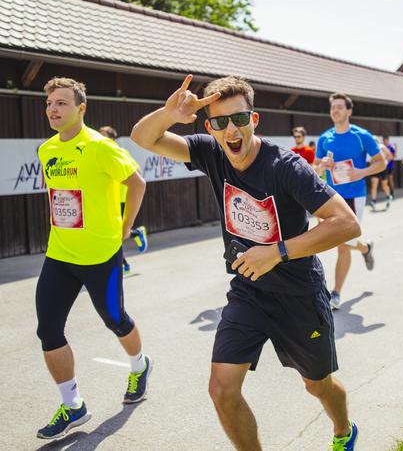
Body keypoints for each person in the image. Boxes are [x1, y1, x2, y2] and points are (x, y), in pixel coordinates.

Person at [131, 75, 362, 450]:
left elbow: (347, 223)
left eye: (239, 119)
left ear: (254, 120)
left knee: (316, 384)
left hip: (298, 293)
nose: (230, 129)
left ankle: (343, 430)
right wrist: (170, 113)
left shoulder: (285, 167)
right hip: (248, 290)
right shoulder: (210, 152)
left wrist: (277, 252)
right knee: (222, 389)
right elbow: (143, 137)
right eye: (220, 122)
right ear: (211, 127)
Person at [36, 78, 150, 440]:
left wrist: (125, 227)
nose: (53, 109)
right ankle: (73, 405)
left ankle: (139, 364)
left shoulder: (101, 147)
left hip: (102, 256)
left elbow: (137, 183)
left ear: (81, 108)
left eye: (62, 103)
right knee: (48, 330)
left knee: (116, 320)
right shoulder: (46, 150)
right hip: (60, 255)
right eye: (50, 103)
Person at [314, 93, 386, 310]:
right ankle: (365, 248)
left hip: (355, 194)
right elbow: (314, 168)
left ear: (349, 111)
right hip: (331, 196)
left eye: (339, 107)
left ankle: (335, 294)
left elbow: (381, 163)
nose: (335, 111)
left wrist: (361, 172)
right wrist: (321, 167)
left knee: (343, 244)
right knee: (335, 240)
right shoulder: (324, 138)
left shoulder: (361, 136)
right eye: (332, 107)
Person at [98, 125, 149, 273]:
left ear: (113, 138)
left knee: (115, 235)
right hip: (106, 200)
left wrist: (123, 181)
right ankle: (135, 235)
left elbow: (137, 172)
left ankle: (123, 264)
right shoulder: (99, 152)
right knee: (112, 235)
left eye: (104, 135)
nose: (101, 137)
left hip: (119, 199)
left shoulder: (119, 152)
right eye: (99, 134)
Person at [368, 136, 393, 210]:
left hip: (382, 168)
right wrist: (372, 163)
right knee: (374, 184)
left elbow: (390, 156)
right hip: (374, 169)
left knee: (384, 185)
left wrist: (385, 162)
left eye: (375, 140)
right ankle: (373, 201)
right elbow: (369, 161)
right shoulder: (369, 149)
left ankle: (388, 196)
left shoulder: (382, 147)